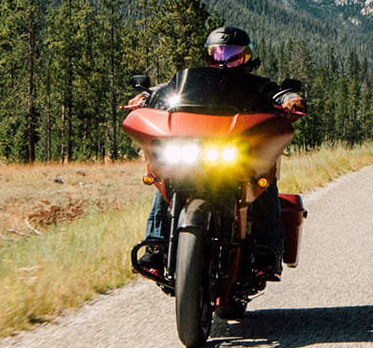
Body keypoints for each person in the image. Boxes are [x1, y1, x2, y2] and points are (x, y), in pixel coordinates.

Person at [131, 26, 305, 279]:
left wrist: (290, 99)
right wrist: (146, 95)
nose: (225, 59)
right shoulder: (191, 82)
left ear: (246, 57)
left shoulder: (256, 85)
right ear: (209, 55)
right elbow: (166, 90)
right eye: (219, 53)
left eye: (233, 54)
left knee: (265, 182)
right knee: (164, 178)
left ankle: (268, 253)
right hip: (193, 152)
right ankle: (156, 246)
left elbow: (278, 93)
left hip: (238, 155)